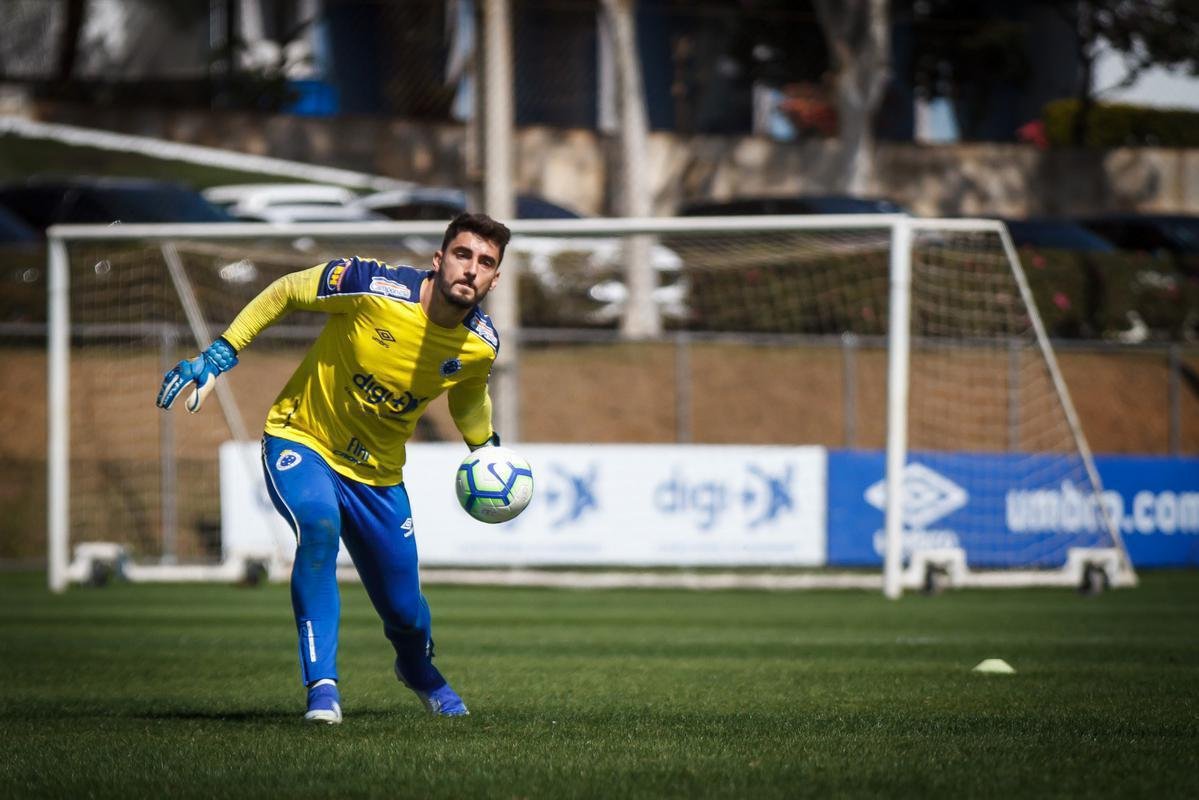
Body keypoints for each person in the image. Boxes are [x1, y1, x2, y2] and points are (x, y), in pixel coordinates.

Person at [155, 212, 511, 724]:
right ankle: (323, 689)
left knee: (405, 611)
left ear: (494, 279)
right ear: (438, 260)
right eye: (462, 254)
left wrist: (485, 449)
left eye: (485, 262)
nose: (471, 269)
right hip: (302, 438)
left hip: (379, 477)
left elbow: (469, 395)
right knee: (318, 527)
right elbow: (284, 291)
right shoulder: (371, 284)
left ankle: (418, 669)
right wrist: (219, 354)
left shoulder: (481, 343)